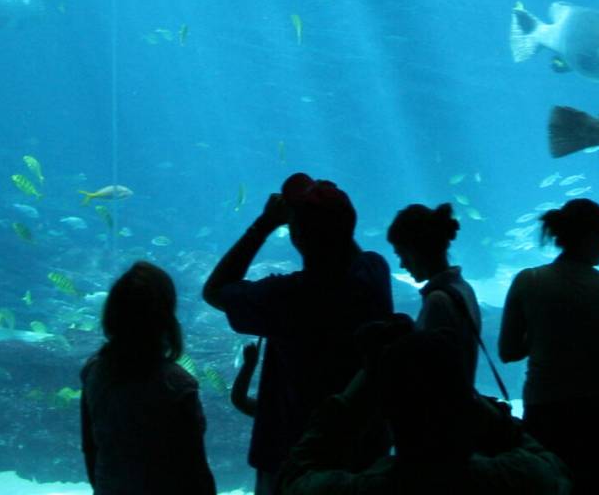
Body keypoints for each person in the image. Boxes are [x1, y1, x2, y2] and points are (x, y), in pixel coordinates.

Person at [202, 171, 395, 494]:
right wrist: (329, 218)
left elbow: (214, 290)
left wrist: (264, 224)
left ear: (297, 237)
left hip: (291, 455)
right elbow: (346, 247)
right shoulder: (374, 272)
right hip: (365, 450)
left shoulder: (286, 297)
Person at [279, 319, 572, 492]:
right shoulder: (517, 479)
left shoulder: (355, 489)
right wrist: (471, 401)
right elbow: (555, 469)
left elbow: (293, 476)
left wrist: (365, 380)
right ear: (465, 407)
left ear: (386, 409)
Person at [497, 198, 599, 495]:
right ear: (589, 237)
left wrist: (545, 334)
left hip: (546, 410)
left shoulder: (528, 281)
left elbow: (507, 351)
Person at [79, 260, 215, 494]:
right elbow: (194, 465)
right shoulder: (178, 384)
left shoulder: (94, 372)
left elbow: (90, 447)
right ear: (166, 319)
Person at [387, 202, 483, 384]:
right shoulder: (463, 287)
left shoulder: (438, 301)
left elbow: (430, 371)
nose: (402, 264)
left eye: (402, 254)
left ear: (417, 250)